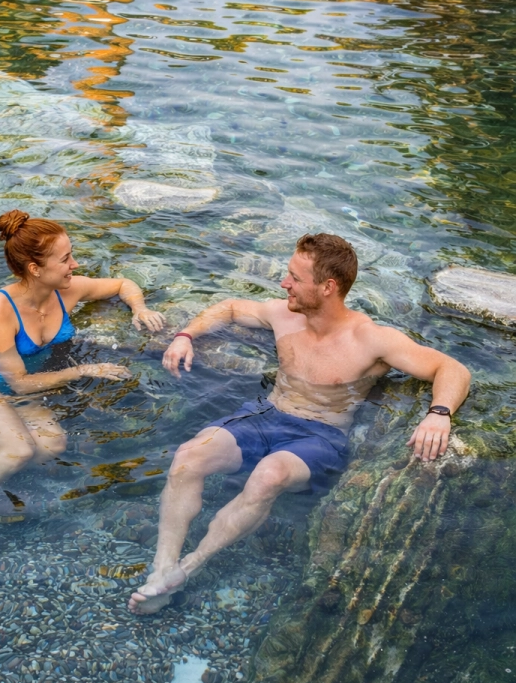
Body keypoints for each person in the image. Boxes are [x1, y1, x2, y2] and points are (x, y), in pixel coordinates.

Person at [129, 232, 471, 615]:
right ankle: (163, 567)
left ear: (328, 287)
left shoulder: (371, 339)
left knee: (268, 476)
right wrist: (185, 335)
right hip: (267, 414)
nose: (283, 283)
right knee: (189, 457)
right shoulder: (283, 315)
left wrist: (439, 414)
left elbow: (451, 367)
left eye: (294, 277)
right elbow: (227, 307)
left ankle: (190, 567)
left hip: (321, 436)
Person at [0, 210, 164, 563]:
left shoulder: (65, 292)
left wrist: (139, 309)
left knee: (51, 444)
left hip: (22, 392)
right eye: (65, 258)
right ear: (35, 268)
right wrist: (84, 370)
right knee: (18, 450)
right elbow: (19, 382)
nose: (75, 263)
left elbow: (120, 284)